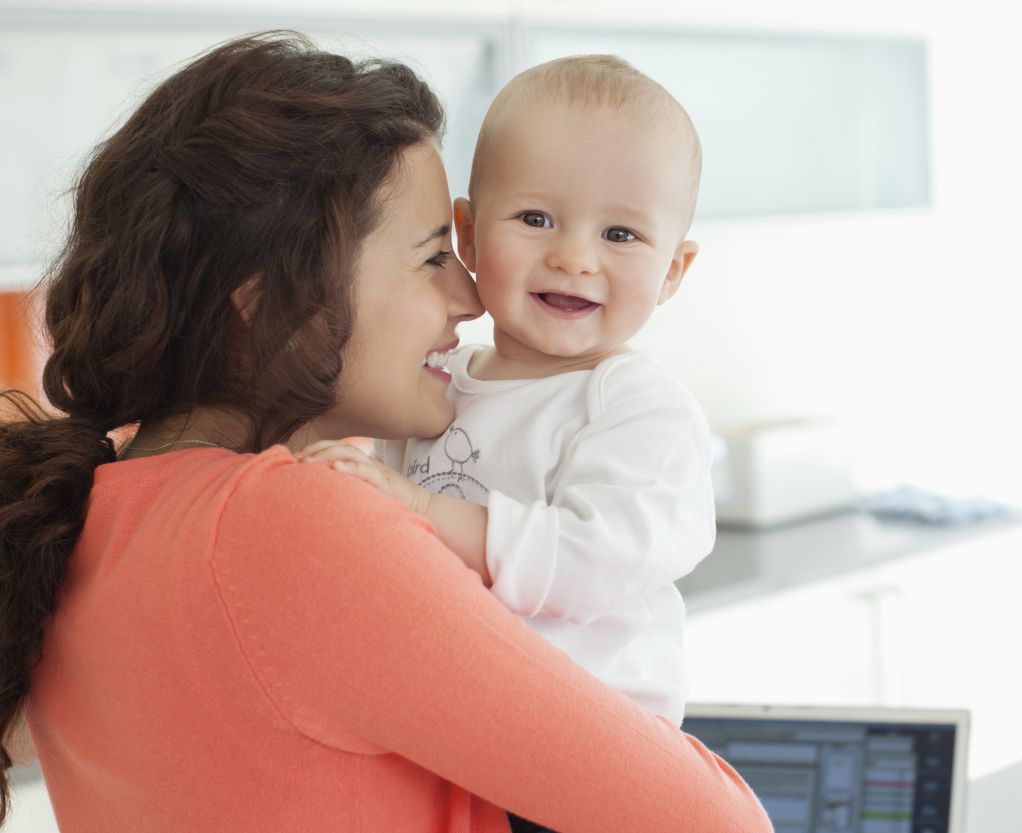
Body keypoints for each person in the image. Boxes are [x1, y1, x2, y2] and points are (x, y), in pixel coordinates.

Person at [0, 32, 771, 833]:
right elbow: (718, 822)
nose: (470, 299)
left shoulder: (85, 517)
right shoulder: (298, 525)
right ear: (277, 299)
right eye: (436, 254)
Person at [300, 56, 712, 737]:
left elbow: (589, 563)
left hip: (594, 739)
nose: (575, 258)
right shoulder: (437, 381)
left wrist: (418, 508)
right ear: (467, 233)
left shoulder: (639, 409)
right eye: (536, 217)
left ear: (672, 271)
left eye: (619, 234)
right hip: (464, 727)